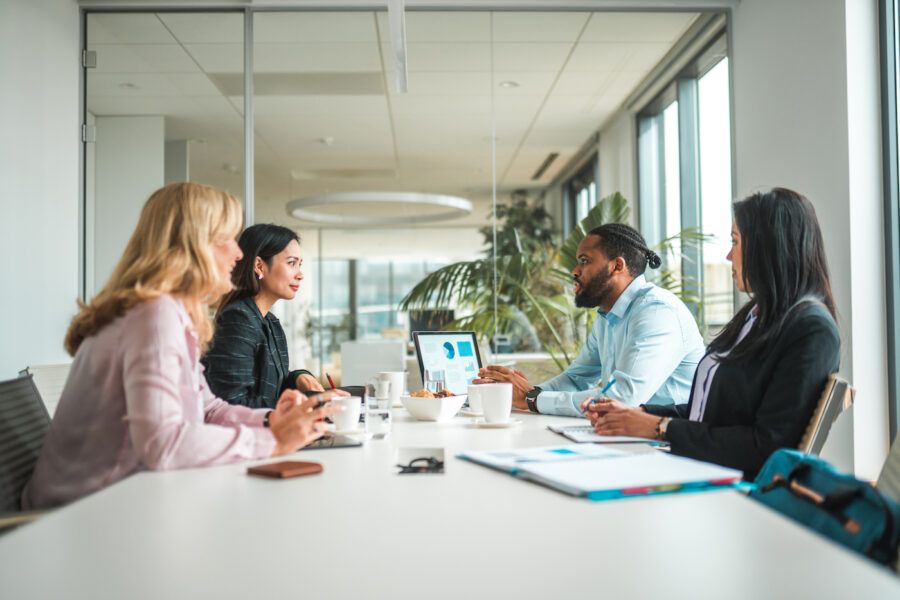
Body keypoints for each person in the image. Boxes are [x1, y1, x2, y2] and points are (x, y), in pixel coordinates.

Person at [23, 183, 343, 509]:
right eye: (226, 240)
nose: (237, 253)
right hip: (86, 511)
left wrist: (270, 421)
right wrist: (271, 441)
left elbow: (209, 408)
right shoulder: (153, 315)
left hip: (127, 497)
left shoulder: (169, 312)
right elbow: (163, 443)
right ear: (192, 247)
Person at [587, 188, 840, 478]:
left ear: (769, 247)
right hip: (701, 468)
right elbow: (713, 409)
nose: (728, 255)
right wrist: (643, 413)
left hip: (733, 490)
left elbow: (768, 447)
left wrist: (659, 428)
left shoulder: (810, 329)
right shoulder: (758, 315)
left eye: (735, 241)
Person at [479, 223, 705, 417]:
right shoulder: (608, 315)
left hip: (665, 445)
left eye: (584, 261)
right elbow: (576, 379)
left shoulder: (656, 312)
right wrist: (518, 393)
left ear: (617, 266)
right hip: (628, 437)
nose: (575, 271)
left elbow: (622, 399)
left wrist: (532, 398)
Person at [203, 224, 324, 410]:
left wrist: (299, 376)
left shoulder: (269, 322)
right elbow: (232, 402)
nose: (300, 274)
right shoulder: (238, 319)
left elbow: (271, 386)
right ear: (259, 265)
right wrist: (305, 406)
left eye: (300, 264)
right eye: (291, 263)